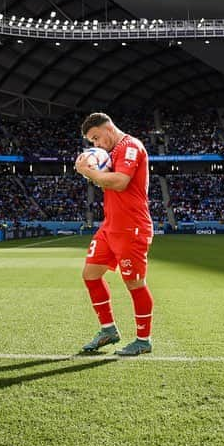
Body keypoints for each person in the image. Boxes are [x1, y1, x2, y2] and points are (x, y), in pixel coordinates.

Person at [74, 112, 154, 357]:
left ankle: (143, 340)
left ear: (108, 128)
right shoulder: (111, 153)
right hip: (110, 226)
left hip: (132, 226)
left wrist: (88, 172)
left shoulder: (131, 146)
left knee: (133, 282)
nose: (96, 145)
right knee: (90, 274)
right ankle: (108, 329)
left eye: (96, 138)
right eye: (92, 142)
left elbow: (120, 182)